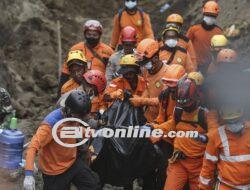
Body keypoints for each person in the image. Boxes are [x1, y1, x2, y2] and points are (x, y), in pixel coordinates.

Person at [23, 91, 101, 190]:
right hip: (54, 171)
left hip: (72, 163)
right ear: (69, 111)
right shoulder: (51, 125)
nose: (81, 120)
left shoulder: (74, 116)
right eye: (79, 117)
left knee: (93, 186)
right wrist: (28, 174)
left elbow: (73, 130)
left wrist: (94, 132)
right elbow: (32, 147)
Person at [152, 78, 211, 190]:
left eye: (188, 104)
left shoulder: (205, 115)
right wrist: (153, 127)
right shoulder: (178, 111)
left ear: (196, 97)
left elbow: (215, 135)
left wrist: (206, 138)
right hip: (178, 161)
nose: (185, 107)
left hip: (199, 164)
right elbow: (170, 125)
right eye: (183, 104)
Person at [199, 106, 250, 190]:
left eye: (235, 120)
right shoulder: (216, 135)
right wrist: (203, 187)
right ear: (223, 120)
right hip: (226, 186)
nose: (233, 124)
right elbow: (208, 165)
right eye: (229, 121)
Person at [60, 20, 113, 89]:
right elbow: (65, 72)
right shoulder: (75, 49)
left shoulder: (108, 51)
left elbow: (113, 71)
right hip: (77, 87)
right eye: (89, 34)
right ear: (85, 34)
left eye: (94, 35)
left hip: (100, 88)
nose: (91, 37)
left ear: (99, 35)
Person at [129, 39, 170, 122]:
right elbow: (149, 88)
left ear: (155, 58)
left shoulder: (168, 74)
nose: (143, 66)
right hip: (150, 115)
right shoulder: (146, 70)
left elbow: (161, 100)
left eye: (145, 63)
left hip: (164, 118)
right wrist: (139, 99)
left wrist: (141, 101)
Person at [187, 1, 222, 75]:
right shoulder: (194, 29)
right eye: (208, 15)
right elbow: (185, 46)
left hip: (211, 67)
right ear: (204, 14)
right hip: (195, 66)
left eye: (213, 16)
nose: (210, 18)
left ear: (216, 16)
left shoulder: (219, 31)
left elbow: (221, 50)